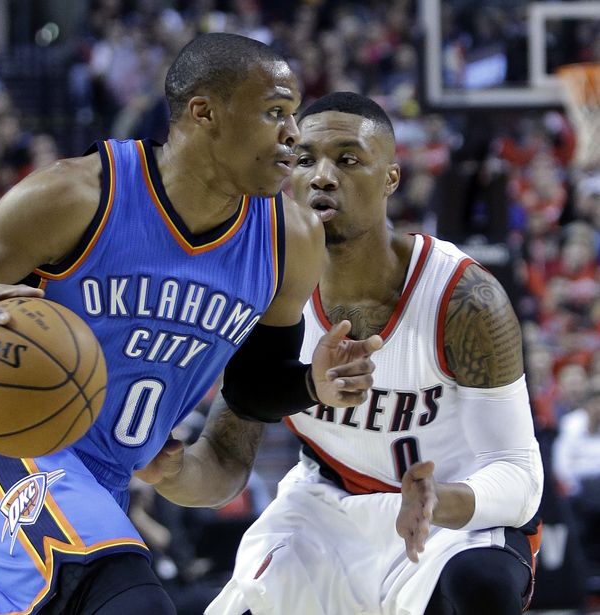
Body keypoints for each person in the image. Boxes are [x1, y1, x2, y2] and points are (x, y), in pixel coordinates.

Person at [0, 36, 380, 615]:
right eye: (275, 111)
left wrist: (296, 394)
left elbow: (229, 454)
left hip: (102, 489)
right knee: (130, 602)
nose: (293, 132)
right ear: (204, 112)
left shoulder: (289, 241)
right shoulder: (80, 193)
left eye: (294, 113)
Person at [200, 92, 545, 614]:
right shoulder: (262, 287)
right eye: (305, 158)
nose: (321, 176)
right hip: (326, 510)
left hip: (451, 518)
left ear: (391, 178)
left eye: (348, 158)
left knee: (484, 589)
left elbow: (520, 477)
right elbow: (227, 452)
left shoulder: (465, 298)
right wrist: (169, 471)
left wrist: (438, 501)